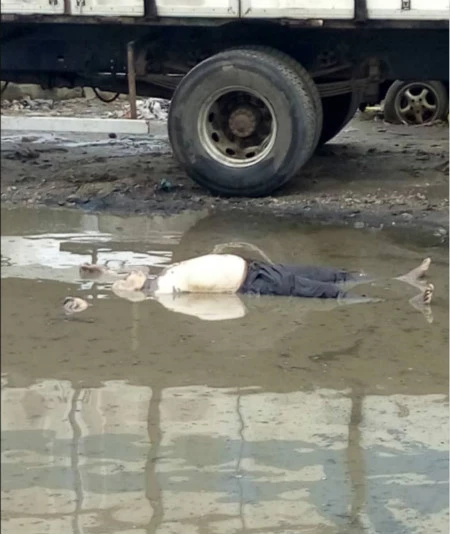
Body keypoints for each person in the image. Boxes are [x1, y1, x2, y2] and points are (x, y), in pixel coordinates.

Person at [80, 254, 434, 303]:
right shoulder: (165, 293)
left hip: (260, 267)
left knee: (333, 274)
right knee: (329, 292)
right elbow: (131, 289)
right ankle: (405, 301)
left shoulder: (160, 276)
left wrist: (104, 272)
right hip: (255, 284)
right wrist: (115, 283)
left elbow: (133, 274)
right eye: (130, 279)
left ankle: (403, 277)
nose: (133, 274)